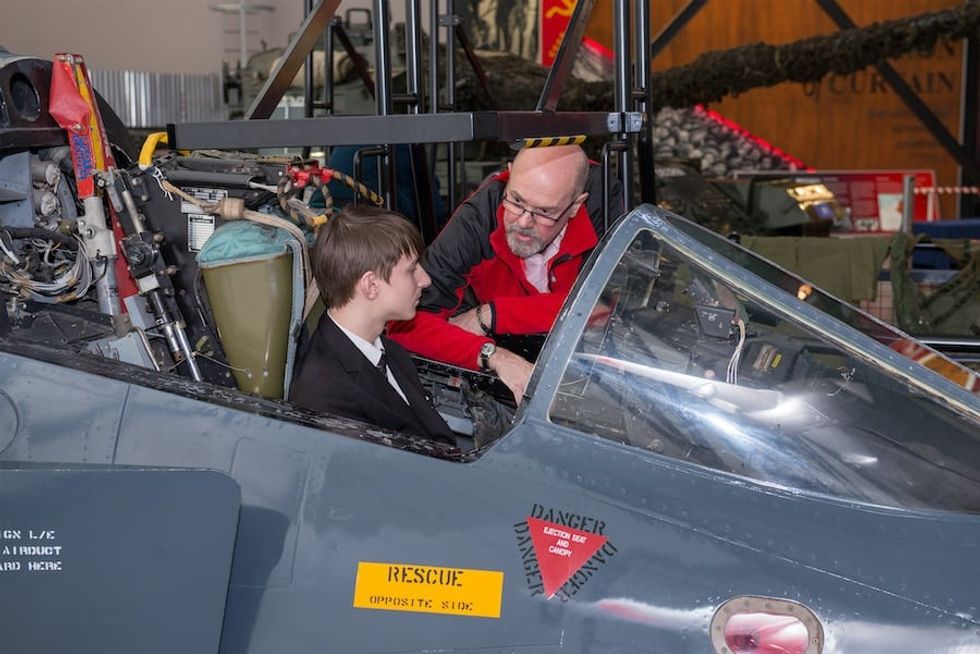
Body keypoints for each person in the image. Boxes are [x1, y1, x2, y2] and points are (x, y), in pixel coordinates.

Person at [388, 144, 623, 404]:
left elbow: (602, 305)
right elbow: (404, 324)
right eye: (516, 200)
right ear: (509, 175)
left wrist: (491, 314)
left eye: (544, 212)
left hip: (587, 364)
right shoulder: (477, 222)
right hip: (502, 367)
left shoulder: (602, 200)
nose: (523, 222)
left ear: (576, 205)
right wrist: (492, 355)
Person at [289, 205, 455, 446]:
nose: (425, 280)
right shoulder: (325, 393)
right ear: (371, 285)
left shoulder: (390, 351)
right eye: (412, 270)